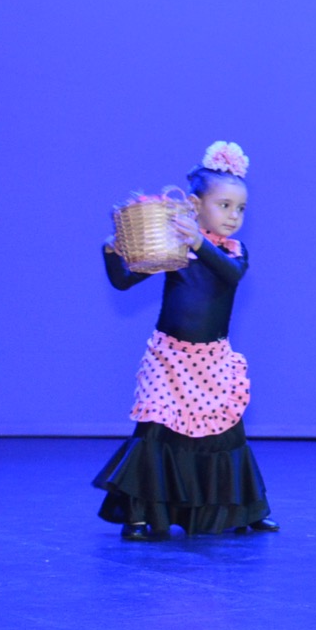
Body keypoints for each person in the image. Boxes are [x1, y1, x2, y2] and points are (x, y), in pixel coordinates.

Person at [94, 141, 276, 538]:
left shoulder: (233, 251)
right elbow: (123, 281)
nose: (234, 216)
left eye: (240, 208)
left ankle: (244, 510)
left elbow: (231, 275)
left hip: (212, 361)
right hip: (169, 360)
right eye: (224, 205)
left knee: (225, 434)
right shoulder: (175, 248)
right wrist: (111, 250)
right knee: (155, 434)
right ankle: (139, 515)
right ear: (194, 206)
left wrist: (199, 243)